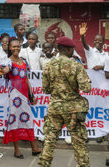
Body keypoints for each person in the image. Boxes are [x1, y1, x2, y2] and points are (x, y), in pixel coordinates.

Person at [39, 37, 91, 167]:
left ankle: (44, 163)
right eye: (72, 49)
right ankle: (83, 164)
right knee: (78, 141)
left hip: (55, 107)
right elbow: (86, 88)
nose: (73, 51)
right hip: (73, 109)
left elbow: (46, 89)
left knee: (49, 140)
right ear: (68, 49)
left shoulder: (48, 65)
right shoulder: (76, 65)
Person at [0, 38, 41, 159]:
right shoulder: (8, 61)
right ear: (9, 48)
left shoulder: (24, 61)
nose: (16, 48)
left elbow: (26, 79)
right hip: (15, 95)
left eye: (18, 46)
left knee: (29, 119)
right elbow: (6, 69)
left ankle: (34, 148)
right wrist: (3, 71)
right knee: (14, 120)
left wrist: (31, 95)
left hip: (25, 95)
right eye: (13, 47)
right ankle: (16, 150)